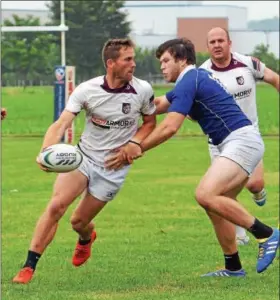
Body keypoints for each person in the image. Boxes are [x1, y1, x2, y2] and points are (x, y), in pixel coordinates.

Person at [105, 38, 279, 277]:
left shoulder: (190, 78)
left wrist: (137, 147)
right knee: (215, 205)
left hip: (241, 142)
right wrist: (121, 103)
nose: (162, 67)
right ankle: (233, 267)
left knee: (205, 194)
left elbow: (169, 128)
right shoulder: (189, 81)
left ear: (182, 59)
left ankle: (266, 234)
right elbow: (157, 104)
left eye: (166, 60)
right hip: (239, 142)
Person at [12, 38, 156, 284]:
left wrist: (135, 143)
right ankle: (28, 266)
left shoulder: (142, 90)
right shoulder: (87, 90)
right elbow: (62, 123)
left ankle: (86, 237)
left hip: (114, 167)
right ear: (111, 63)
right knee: (57, 206)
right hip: (83, 157)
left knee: (78, 221)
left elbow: (151, 123)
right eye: (128, 59)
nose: (134, 63)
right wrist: (45, 151)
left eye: (133, 58)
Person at [200, 27, 280, 245]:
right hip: (219, 142)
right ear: (207, 47)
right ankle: (240, 232)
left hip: (247, 136)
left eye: (220, 40)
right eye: (212, 42)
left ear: (229, 43)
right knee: (222, 191)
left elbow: (274, 78)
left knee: (254, 184)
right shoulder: (203, 73)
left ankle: (257, 193)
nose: (217, 45)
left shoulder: (248, 63)